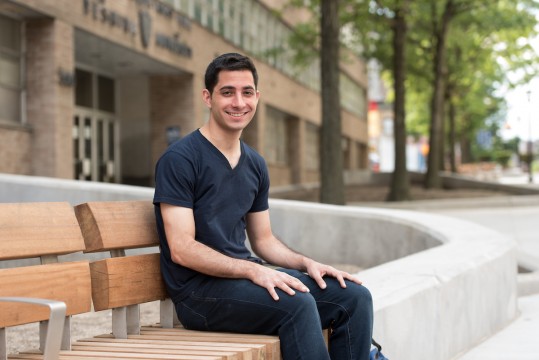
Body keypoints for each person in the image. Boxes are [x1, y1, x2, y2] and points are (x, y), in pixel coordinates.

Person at [153, 52, 373, 360]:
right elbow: (181, 249)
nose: (238, 103)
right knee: (295, 303)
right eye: (227, 92)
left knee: (354, 297)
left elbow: (263, 240)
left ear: (257, 97)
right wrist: (252, 271)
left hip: (241, 283)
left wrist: (306, 263)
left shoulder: (255, 163)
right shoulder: (180, 159)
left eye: (246, 92)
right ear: (208, 97)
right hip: (198, 295)